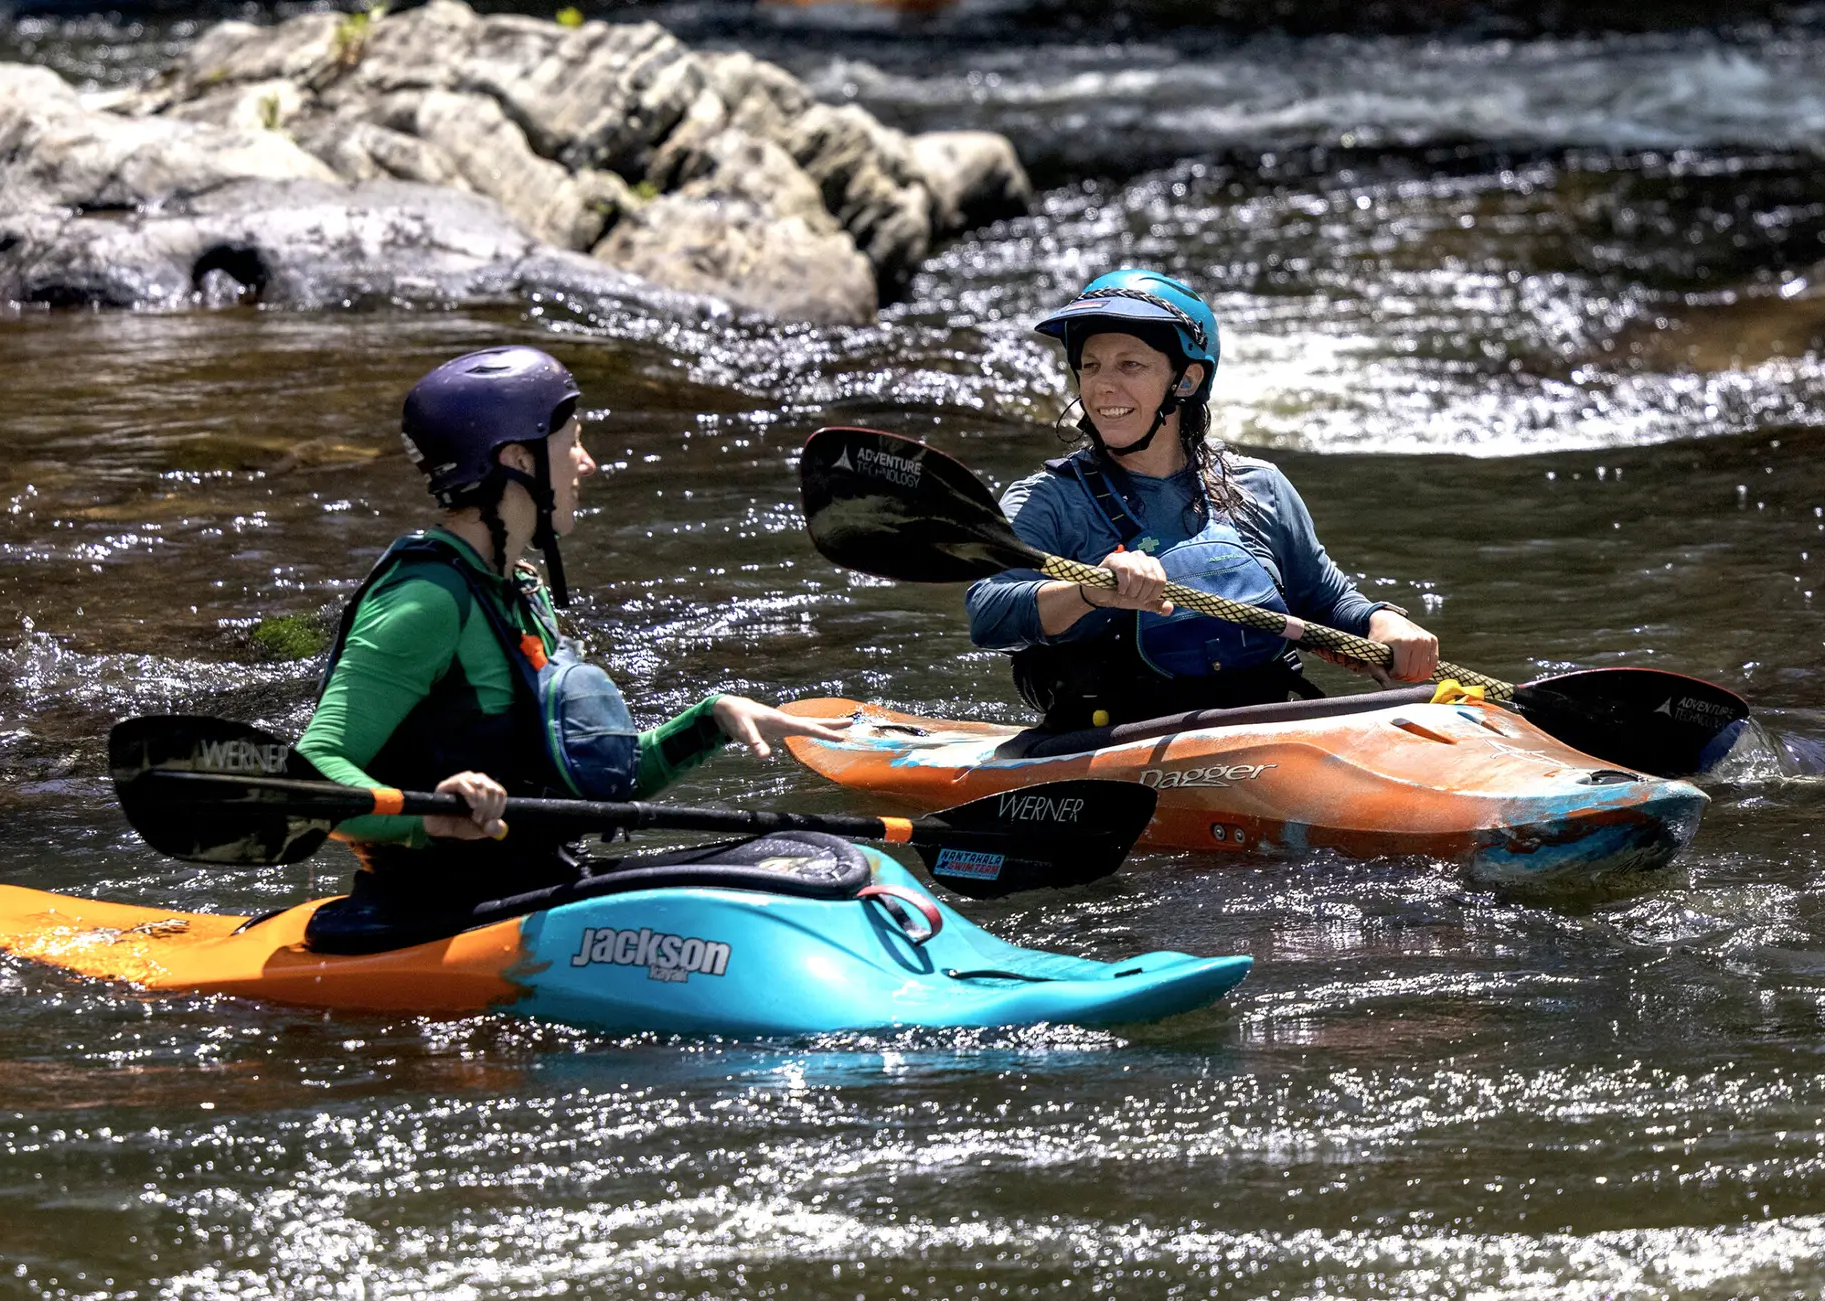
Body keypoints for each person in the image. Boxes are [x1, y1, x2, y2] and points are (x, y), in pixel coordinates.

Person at [297, 344, 850, 952]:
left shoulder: (517, 592)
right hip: (427, 918)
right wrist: (427, 817)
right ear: (516, 460)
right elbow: (312, 776)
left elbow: (589, 780)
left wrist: (712, 722)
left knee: (805, 864)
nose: (585, 464)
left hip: (532, 889)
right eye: (571, 444)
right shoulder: (426, 601)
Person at [966, 269, 1439, 731]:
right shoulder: (1047, 501)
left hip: (1264, 736)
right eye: (1090, 365)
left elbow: (1325, 601)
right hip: (1108, 748)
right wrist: (1090, 592)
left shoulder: (1259, 486)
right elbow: (988, 612)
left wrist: (1381, 624)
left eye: (1130, 364)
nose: (1101, 385)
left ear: (1186, 380)